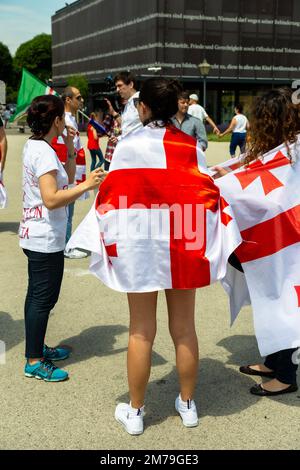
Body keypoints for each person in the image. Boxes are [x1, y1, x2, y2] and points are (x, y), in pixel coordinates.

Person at [66, 78, 240, 434]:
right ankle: (188, 405)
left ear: (142, 108)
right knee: (185, 329)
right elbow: (206, 193)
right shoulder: (191, 146)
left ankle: (135, 411)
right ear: (177, 106)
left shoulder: (128, 146)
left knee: (141, 332)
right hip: (184, 243)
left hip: (141, 245)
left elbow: (112, 195)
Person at [214, 88, 300, 396]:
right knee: (270, 296)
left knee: (285, 300)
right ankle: (273, 361)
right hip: (276, 240)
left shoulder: (293, 151)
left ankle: (287, 376)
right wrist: (228, 178)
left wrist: (229, 185)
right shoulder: (277, 150)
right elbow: (255, 180)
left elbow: (277, 198)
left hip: (288, 242)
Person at [19, 95, 105, 382]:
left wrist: (69, 149)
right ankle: (34, 360)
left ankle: (36, 347)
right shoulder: (42, 152)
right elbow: (52, 198)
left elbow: (63, 180)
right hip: (43, 235)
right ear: (56, 120)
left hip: (39, 234)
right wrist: (87, 185)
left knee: (40, 296)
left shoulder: (39, 146)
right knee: (43, 298)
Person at [61, 86, 89, 259]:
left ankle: (66, 243)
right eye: (78, 97)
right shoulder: (64, 120)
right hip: (67, 170)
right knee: (67, 211)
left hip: (73, 168)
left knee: (69, 210)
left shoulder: (70, 118)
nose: (82, 100)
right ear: (68, 100)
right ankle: (65, 246)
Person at [114, 71, 142, 137]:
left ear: (130, 85)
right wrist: (120, 137)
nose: (117, 90)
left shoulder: (141, 100)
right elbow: (130, 128)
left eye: (120, 85)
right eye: (116, 87)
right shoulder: (128, 103)